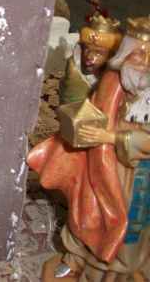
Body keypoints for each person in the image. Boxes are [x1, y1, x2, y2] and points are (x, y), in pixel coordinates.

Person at [27, 15, 150, 281]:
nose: (144, 62)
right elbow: (90, 108)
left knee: (128, 226)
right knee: (85, 210)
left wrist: (111, 137)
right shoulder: (113, 80)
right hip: (99, 162)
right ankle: (76, 259)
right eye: (138, 54)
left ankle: (116, 273)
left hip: (137, 174)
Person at [59, 15, 121, 105]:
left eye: (98, 53)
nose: (89, 56)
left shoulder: (115, 76)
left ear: (110, 56)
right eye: (86, 49)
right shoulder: (75, 70)